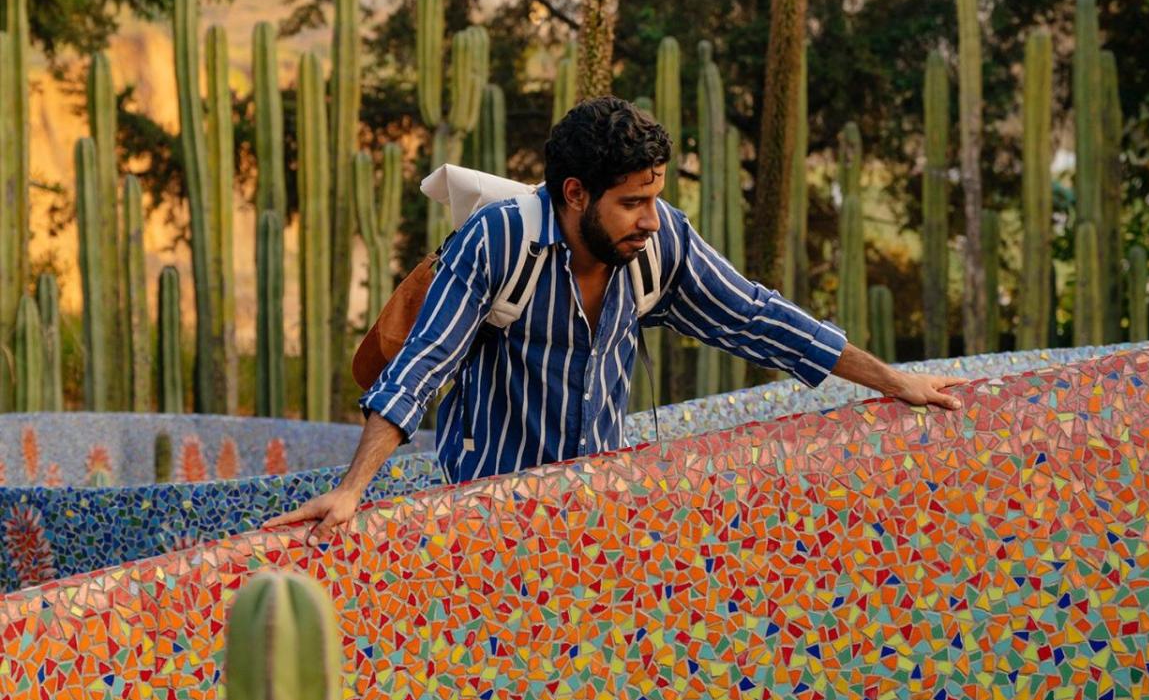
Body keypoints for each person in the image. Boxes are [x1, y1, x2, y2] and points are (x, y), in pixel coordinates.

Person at [265, 96, 967, 546]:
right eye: (632, 201)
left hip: (598, 513)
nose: (650, 218)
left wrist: (890, 382)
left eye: (655, 197)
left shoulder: (660, 244)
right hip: (482, 517)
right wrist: (353, 491)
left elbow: (760, 318)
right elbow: (421, 366)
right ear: (575, 194)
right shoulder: (501, 241)